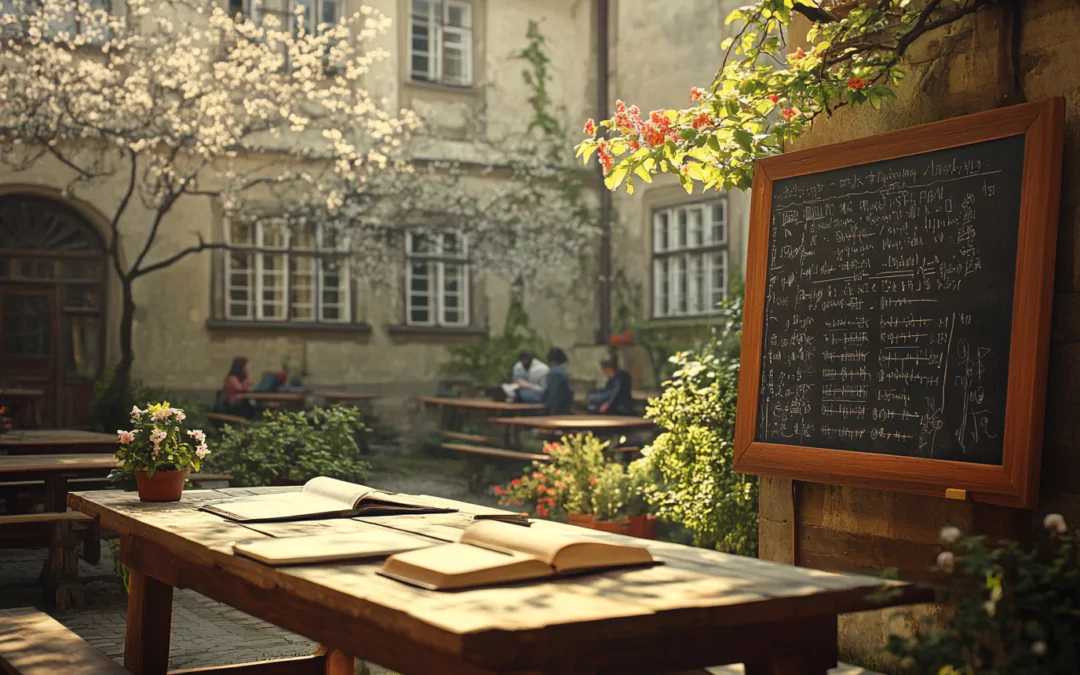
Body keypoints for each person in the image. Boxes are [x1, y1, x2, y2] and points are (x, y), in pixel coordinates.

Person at [543, 347, 574, 414]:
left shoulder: (556, 373)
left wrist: (552, 411)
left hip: (559, 411)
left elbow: (554, 395)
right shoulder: (562, 371)